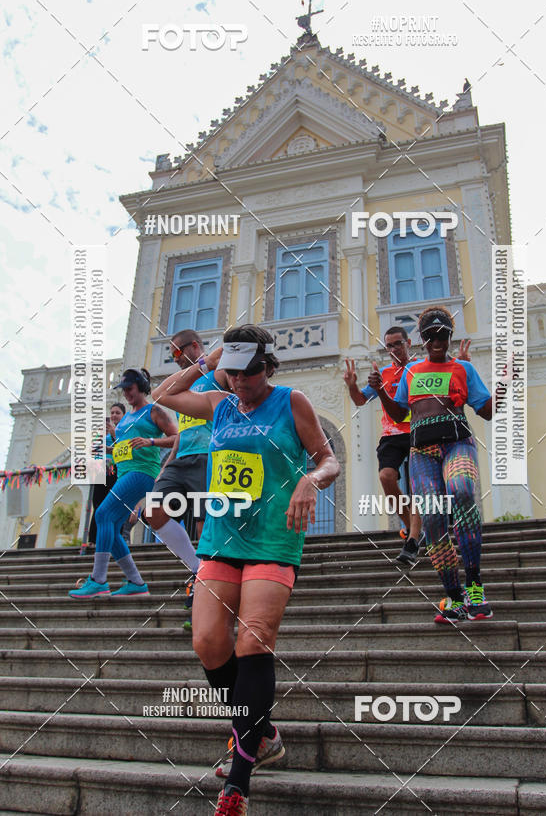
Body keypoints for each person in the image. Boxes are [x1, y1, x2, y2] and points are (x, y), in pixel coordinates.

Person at [153, 325, 340, 816]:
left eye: (249, 373)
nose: (240, 382)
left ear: (269, 367)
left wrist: (310, 481)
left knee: (253, 640)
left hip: (273, 537)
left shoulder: (291, 402)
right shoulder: (220, 404)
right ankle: (264, 734)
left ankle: (238, 783)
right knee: (207, 642)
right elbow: (163, 395)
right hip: (221, 539)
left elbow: (328, 460)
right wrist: (210, 359)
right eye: (232, 373)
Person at [369, 306, 495, 623]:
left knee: (462, 490)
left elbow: (487, 411)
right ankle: (454, 597)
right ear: (422, 340)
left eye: (442, 336)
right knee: (434, 518)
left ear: (450, 336)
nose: (437, 342)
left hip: (457, 443)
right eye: (430, 337)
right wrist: (381, 391)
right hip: (422, 450)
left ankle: (475, 586)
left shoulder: (463, 368)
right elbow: (399, 414)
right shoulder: (412, 372)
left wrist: (506, 384)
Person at [68, 368, 178, 599]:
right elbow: (124, 448)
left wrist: (151, 441)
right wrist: (107, 449)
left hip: (142, 473)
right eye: (124, 390)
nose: (127, 393)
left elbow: (176, 437)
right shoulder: (126, 418)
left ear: (141, 387)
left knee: (102, 514)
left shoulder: (153, 411)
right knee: (113, 527)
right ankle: (136, 582)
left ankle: (99, 580)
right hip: (125, 473)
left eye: (130, 389)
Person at [141, 330, 228, 574]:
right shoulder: (181, 385)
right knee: (153, 511)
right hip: (181, 459)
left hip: (208, 455)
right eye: (172, 355)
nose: (176, 358)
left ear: (195, 346)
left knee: (203, 523)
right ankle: (197, 568)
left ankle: (210, 576)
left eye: (178, 351)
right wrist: (166, 466)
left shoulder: (216, 373)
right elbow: (182, 431)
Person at [343, 326, 423, 564]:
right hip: (392, 434)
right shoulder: (384, 373)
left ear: (408, 343)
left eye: (398, 343)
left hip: (418, 431)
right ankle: (412, 527)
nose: (394, 349)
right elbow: (360, 400)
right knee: (386, 477)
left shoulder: (420, 368)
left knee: (417, 486)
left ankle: (413, 539)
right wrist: (351, 385)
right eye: (389, 345)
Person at [87, 403, 126, 550]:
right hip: (101, 470)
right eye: (112, 413)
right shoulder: (103, 433)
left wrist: (114, 433)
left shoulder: (125, 430)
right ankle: (93, 539)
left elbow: (125, 447)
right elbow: (93, 451)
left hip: (117, 470)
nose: (114, 415)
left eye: (117, 413)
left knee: (116, 504)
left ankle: (116, 539)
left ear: (123, 415)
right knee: (98, 504)